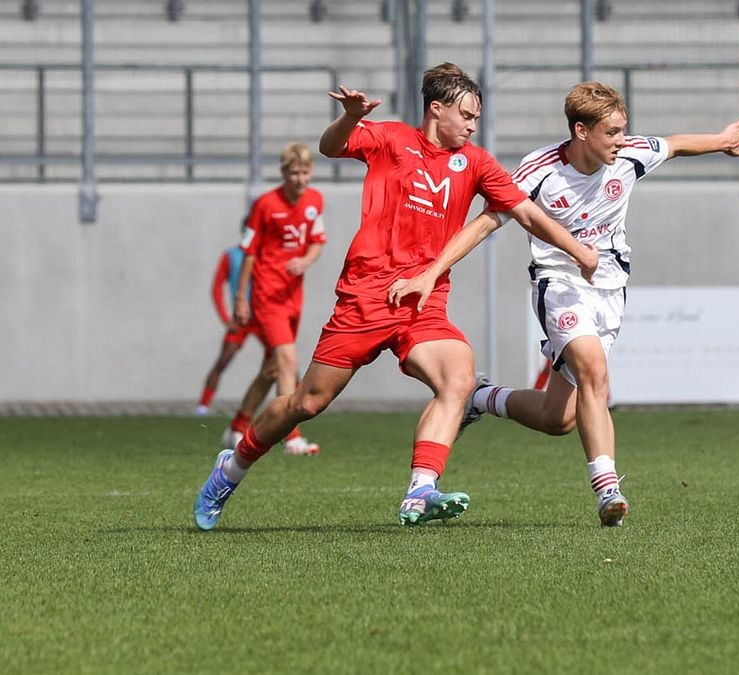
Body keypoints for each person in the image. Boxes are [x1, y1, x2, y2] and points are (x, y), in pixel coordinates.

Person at [193, 63, 599, 531]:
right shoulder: (391, 140)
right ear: (436, 109)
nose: (472, 125)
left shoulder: (477, 163)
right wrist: (349, 117)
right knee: (307, 402)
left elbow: (525, 212)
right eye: (466, 114)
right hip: (366, 297)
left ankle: (420, 490)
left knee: (459, 379)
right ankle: (232, 467)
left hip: (423, 302)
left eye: (476, 117)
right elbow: (332, 146)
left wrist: (578, 252)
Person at [450, 81, 739, 527]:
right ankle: (607, 488)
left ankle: (481, 397)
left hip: (610, 289)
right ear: (581, 131)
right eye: (611, 132)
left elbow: (673, 145)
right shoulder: (538, 170)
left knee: (560, 419)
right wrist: (434, 267)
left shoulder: (628, 155)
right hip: (559, 282)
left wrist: (722, 141)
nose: (621, 140)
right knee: (594, 370)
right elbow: (488, 221)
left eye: (622, 130)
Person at [222, 142, 327, 456]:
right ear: (283, 173)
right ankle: (291, 436)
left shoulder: (314, 201)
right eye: (294, 172)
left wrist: (306, 261)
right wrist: (242, 298)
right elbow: (249, 253)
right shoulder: (265, 205)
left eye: (305, 172)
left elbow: (318, 241)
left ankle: (237, 427)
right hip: (267, 294)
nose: (299, 179)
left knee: (272, 369)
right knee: (287, 362)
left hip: (293, 296)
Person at [195, 216, 264, 417]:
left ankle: (294, 407)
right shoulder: (232, 256)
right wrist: (226, 318)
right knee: (223, 361)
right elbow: (216, 288)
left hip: (265, 317)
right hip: (241, 318)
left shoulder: (267, 253)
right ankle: (202, 407)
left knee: (283, 361)